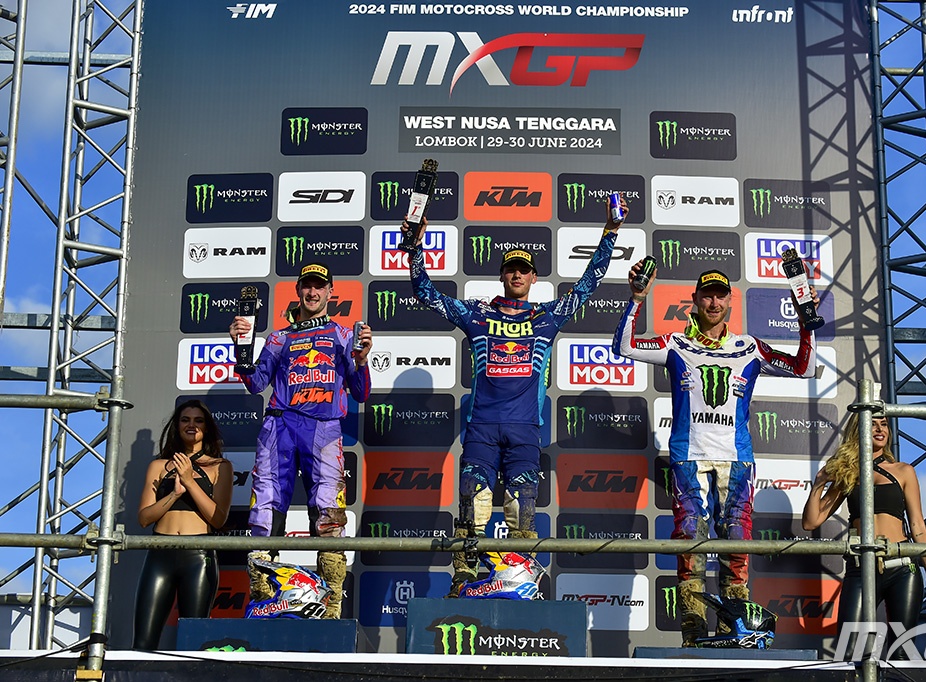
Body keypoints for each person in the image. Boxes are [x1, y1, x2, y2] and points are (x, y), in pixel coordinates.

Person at [402, 199, 625, 597]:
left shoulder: (546, 317)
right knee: (472, 506)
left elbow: (588, 284)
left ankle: (522, 583)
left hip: (524, 430)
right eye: (511, 268)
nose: (517, 274)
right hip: (482, 429)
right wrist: (416, 248)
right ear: (502, 275)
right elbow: (425, 293)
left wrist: (610, 232)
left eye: (524, 269)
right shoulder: (477, 314)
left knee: (522, 510)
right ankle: (462, 581)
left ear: (534, 278)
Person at [613, 265, 818, 645]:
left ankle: (732, 633)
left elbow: (804, 369)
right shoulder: (676, 343)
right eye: (706, 295)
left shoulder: (749, 347)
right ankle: (692, 634)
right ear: (694, 300)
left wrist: (806, 323)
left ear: (729, 301)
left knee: (736, 546)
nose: (713, 302)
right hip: (689, 456)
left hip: (737, 459)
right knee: (690, 542)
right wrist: (637, 299)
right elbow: (623, 347)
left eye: (720, 295)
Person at [229, 262, 372, 618]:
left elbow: (361, 392)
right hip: (279, 426)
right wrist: (240, 348)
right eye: (307, 286)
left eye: (319, 286)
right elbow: (255, 384)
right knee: (264, 509)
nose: (312, 292)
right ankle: (263, 597)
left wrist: (361, 360)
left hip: (324, 429)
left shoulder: (343, 335)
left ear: (330, 292)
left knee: (329, 514)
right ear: (298, 290)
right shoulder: (279, 338)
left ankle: (332, 604)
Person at [802, 415, 926, 658]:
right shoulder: (849, 473)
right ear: (859, 430)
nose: (879, 429)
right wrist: (819, 484)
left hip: (902, 567)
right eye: (872, 424)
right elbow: (811, 521)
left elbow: (917, 524)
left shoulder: (904, 471)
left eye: (884, 424)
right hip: (860, 566)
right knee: (847, 650)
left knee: (901, 651)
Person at [133, 400, 233, 649]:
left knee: (193, 642)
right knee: (143, 642)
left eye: (198, 420)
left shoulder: (220, 467)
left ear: (206, 428)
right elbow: (144, 518)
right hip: (160, 553)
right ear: (177, 426)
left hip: (198, 556)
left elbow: (218, 519)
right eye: (185, 420)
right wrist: (174, 494)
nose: (192, 425)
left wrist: (189, 481)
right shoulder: (158, 466)